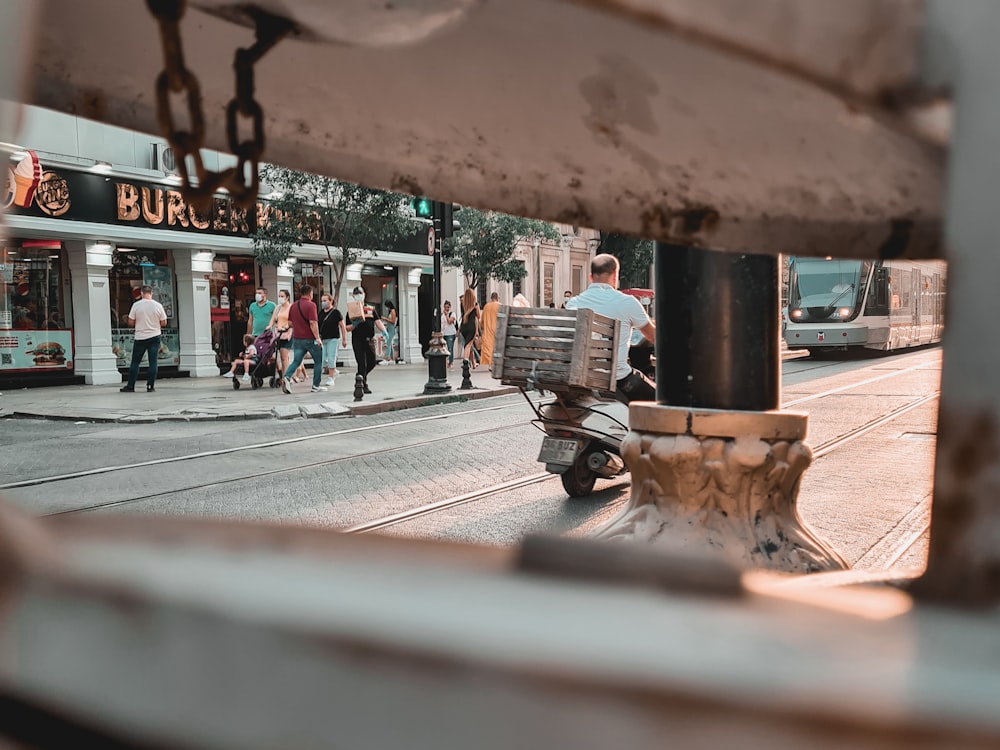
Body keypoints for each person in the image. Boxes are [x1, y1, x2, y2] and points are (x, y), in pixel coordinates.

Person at [566, 254, 656, 404]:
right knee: (661, 400)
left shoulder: (574, 303)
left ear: (590, 277)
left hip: (582, 375)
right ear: (615, 276)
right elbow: (653, 337)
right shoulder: (627, 302)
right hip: (617, 378)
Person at [279, 284, 326, 394]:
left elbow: (290, 323)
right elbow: (313, 323)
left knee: (296, 361)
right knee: (318, 361)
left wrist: (298, 326)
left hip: (297, 338)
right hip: (310, 338)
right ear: (310, 293)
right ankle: (315, 385)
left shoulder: (294, 306)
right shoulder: (311, 305)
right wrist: (317, 338)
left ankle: (286, 377)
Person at [120, 284, 167, 393]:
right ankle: (150, 386)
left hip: (140, 337)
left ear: (141, 293)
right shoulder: (158, 305)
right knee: (153, 361)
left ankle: (131, 386)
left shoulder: (136, 305)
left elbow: (130, 322)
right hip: (154, 336)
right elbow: (164, 322)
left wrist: (138, 322)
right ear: (151, 293)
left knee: (135, 362)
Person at [346, 286, 385, 394]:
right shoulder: (351, 310)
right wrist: (354, 324)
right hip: (357, 340)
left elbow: (377, 321)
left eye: (360, 293)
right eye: (357, 293)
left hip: (369, 340)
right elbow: (347, 328)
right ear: (353, 296)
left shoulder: (370, 308)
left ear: (364, 294)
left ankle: (360, 376)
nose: (359, 295)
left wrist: (384, 331)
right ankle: (363, 384)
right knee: (362, 363)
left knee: (372, 362)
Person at [318, 293, 347, 386]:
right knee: (323, 360)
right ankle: (334, 371)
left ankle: (331, 378)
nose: (323, 303)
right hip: (323, 339)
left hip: (333, 338)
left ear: (331, 301)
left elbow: (342, 326)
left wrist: (344, 339)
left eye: (325, 300)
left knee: (331, 358)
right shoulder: (321, 313)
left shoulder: (336, 313)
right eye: (322, 301)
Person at [267, 289, 294, 382]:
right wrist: (269, 326)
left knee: (284, 356)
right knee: (277, 356)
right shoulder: (278, 308)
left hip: (287, 333)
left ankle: (286, 377)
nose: (280, 298)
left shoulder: (291, 307)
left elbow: (293, 321)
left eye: (282, 296)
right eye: (279, 296)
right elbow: (273, 319)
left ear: (287, 297)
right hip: (278, 333)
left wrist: (287, 326)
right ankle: (284, 374)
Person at [459, 287, 481, 368]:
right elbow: (478, 316)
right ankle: (465, 361)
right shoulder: (475, 304)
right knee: (468, 345)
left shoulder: (462, 304)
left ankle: (473, 363)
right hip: (471, 327)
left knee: (469, 344)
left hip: (464, 326)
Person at [479, 292, 500, 368]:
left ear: (491, 298)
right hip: (498, 330)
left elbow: (482, 320)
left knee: (489, 348)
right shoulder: (500, 306)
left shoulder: (486, 306)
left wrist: (482, 328)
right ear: (497, 298)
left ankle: (491, 364)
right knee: (497, 348)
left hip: (488, 330)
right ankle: (495, 363)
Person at [441, 300, 458, 368]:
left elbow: (449, 322)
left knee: (450, 348)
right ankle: (445, 361)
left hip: (451, 333)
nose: (446, 309)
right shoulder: (442, 315)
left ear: (450, 307)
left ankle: (451, 362)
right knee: (443, 349)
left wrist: (446, 315)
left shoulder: (452, 314)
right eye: (445, 307)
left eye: (448, 307)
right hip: (444, 333)